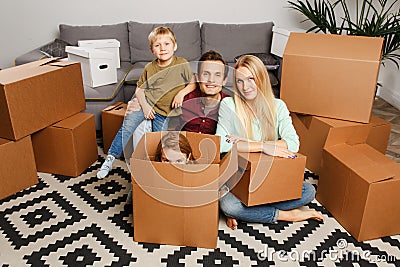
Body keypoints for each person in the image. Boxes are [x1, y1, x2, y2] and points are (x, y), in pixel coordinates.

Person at [215, 55, 323, 230]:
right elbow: (221, 144)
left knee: (308, 192)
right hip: (237, 178)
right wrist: (265, 146)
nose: (245, 86)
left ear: (261, 78)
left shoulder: (278, 106)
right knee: (230, 205)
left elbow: (293, 143)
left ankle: (245, 212)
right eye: (240, 81)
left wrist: (244, 143)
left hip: (268, 177)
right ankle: (286, 215)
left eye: (251, 79)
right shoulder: (229, 104)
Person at [97, 26, 196, 179]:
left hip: (165, 113)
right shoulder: (150, 68)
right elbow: (139, 90)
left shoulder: (181, 64)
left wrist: (181, 93)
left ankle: (151, 173)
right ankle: (110, 158)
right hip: (146, 103)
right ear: (152, 50)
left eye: (167, 44)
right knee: (127, 127)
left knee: (157, 141)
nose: (162, 48)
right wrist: (145, 106)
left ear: (174, 46)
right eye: (157, 45)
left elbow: (192, 83)